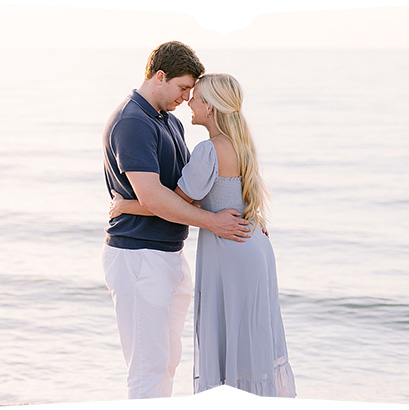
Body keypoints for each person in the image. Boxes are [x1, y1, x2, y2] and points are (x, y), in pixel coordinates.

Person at [110, 74, 296, 397]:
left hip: (229, 249)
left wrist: (126, 205)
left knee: (227, 341)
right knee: (251, 341)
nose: (188, 103)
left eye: (194, 96)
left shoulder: (208, 150)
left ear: (209, 107)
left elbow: (177, 203)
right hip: (254, 245)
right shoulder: (241, 143)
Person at [101, 41, 253, 399]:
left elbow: (187, 189)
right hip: (139, 255)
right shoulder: (133, 122)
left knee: (168, 361)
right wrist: (214, 222)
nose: (187, 98)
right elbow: (154, 196)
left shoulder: (166, 120)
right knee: (148, 367)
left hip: (167, 254)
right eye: (183, 88)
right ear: (159, 76)